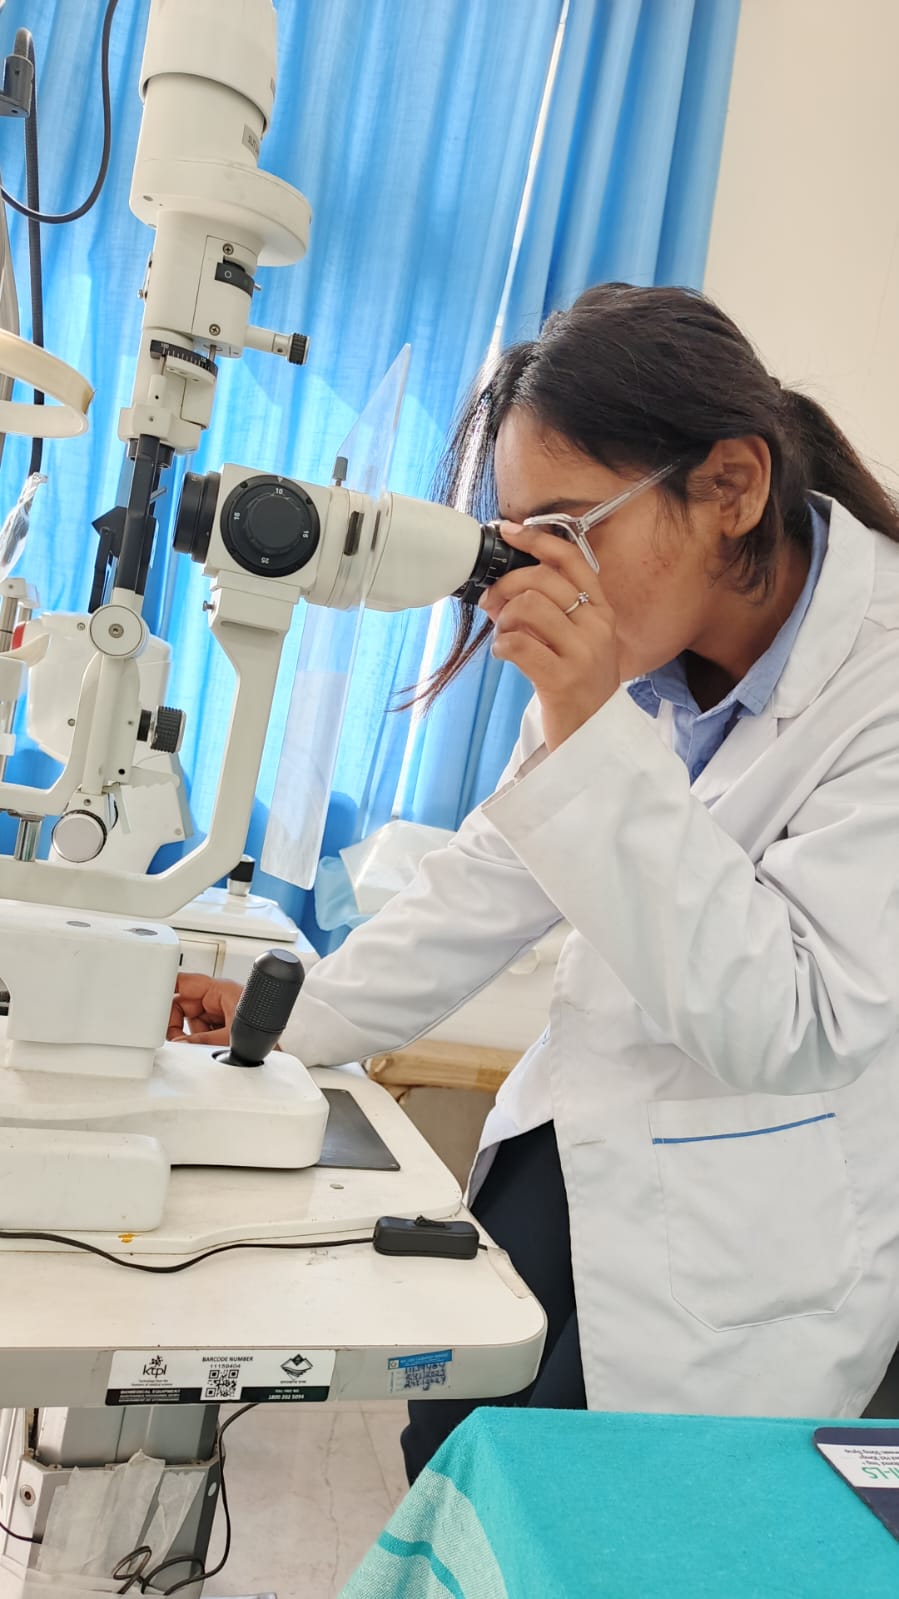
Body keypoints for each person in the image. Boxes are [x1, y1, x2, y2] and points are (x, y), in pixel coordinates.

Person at [170, 283, 899, 1485]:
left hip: (745, 1245)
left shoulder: (875, 681)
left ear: (729, 486)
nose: (535, 574)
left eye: (567, 527)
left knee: (601, 1522)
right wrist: (289, 1013)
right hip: (570, 1156)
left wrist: (591, 724)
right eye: (519, 536)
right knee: (454, 1455)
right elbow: (488, 880)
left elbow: (798, 1024)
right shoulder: (640, 664)